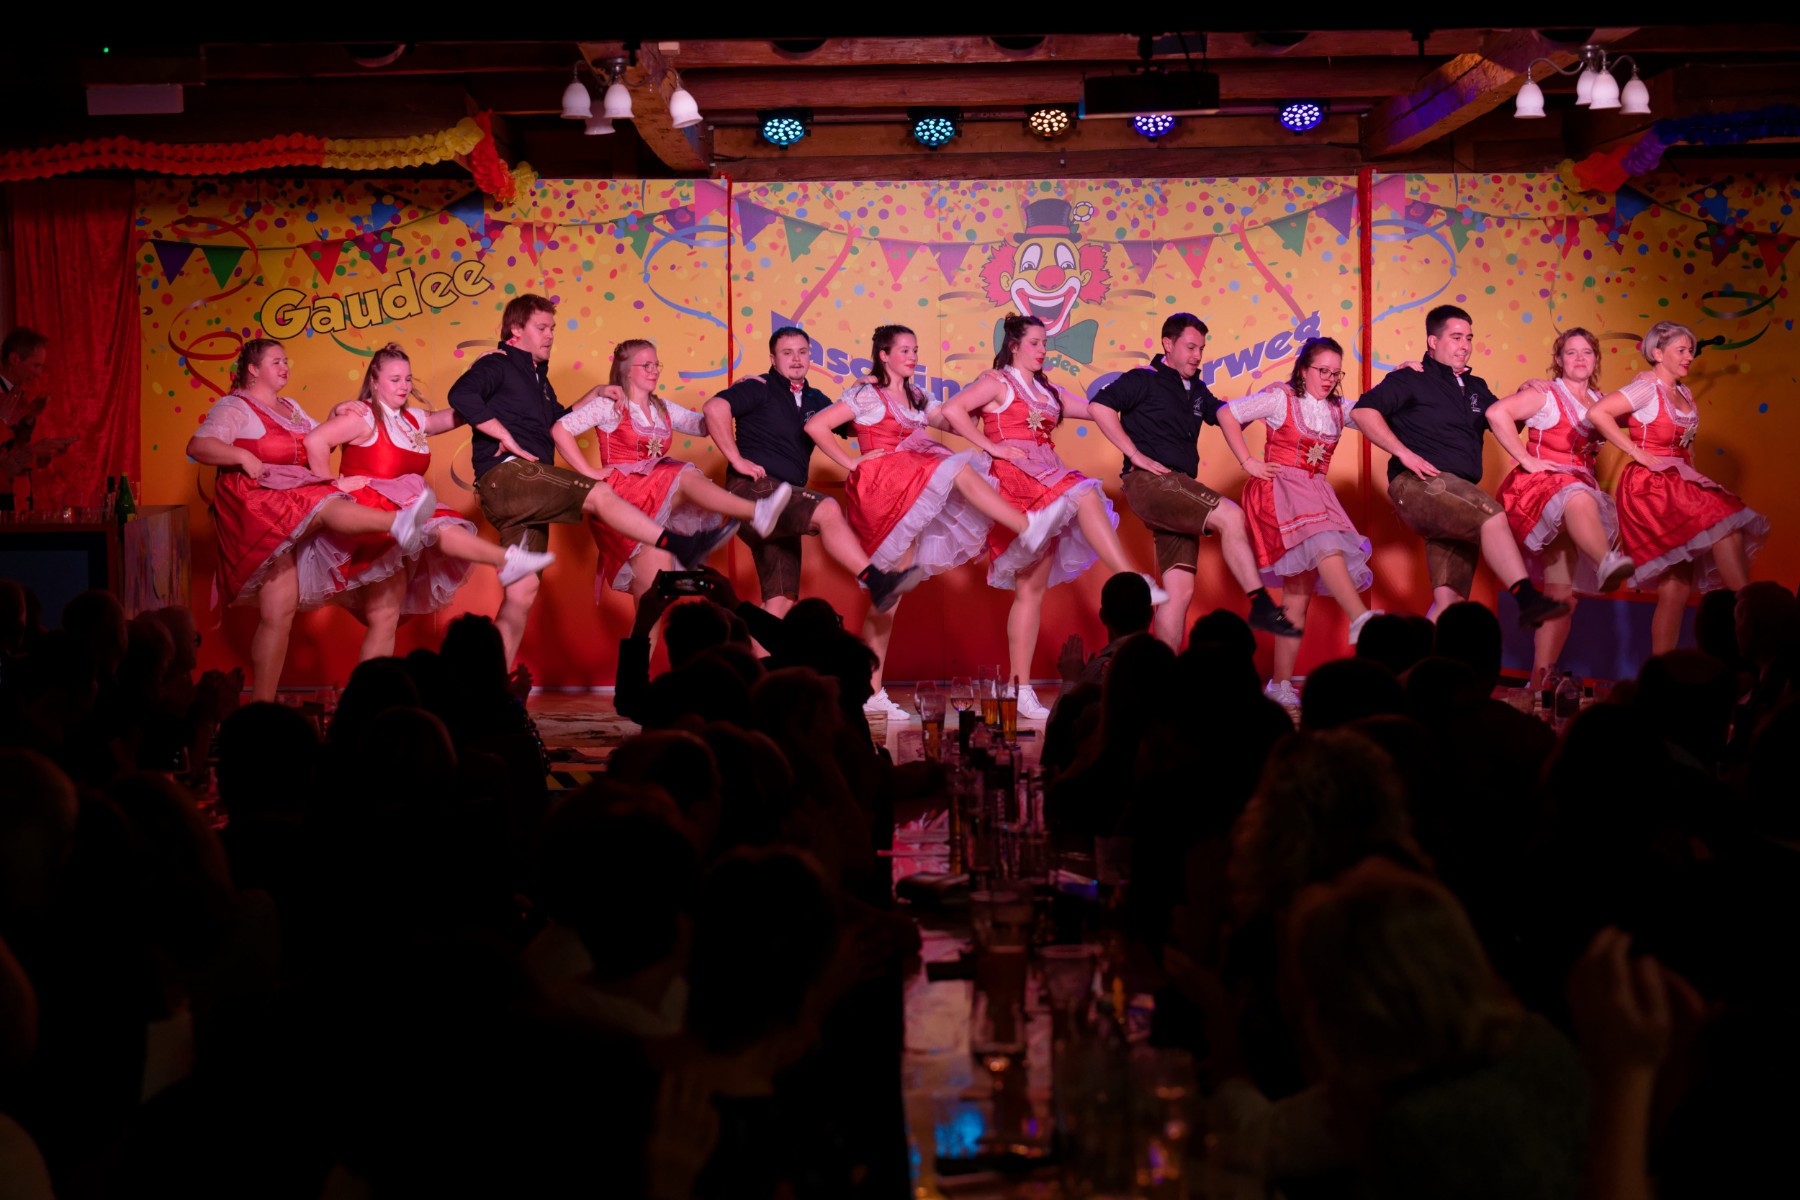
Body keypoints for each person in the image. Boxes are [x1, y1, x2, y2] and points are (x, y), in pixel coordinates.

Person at [448, 294, 739, 668]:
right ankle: (679, 543)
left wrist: (594, 393)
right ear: (515, 330)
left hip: (529, 491)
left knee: (523, 590)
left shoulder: (538, 378)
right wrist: (502, 434)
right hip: (508, 474)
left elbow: (556, 419)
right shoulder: (497, 363)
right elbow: (461, 394)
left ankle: (494, 687)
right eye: (542, 327)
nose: (550, 335)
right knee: (600, 492)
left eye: (552, 327)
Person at [803, 324, 1055, 718]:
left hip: (909, 488)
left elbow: (951, 420)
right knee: (958, 468)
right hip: (883, 485)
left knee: (889, 595)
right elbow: (815, 425)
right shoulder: (868, 394)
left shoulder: (917, 397)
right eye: (904, 350)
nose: (912, 356)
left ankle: (869, 691)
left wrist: (986, 386)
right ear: (884, 355)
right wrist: (851, 463)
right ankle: (1028, 526)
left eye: (915, 350)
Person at [185, 340, 440, 701]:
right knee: (327, 506)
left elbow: (321, 438)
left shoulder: (290, 408)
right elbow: (198, 446)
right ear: (253, 369)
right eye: (276, 361)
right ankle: (398, 523)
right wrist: (240, 455)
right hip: (259, 509)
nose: (284, 367)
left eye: (285, 361)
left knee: (281, 608)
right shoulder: (235, 407)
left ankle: (263, 703)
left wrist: (339, 411)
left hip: (293, 501)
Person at [944, 314, 1166, 719]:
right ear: (1014, 345)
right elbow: (953, 409)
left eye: (1045, 343)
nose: (1043, 350)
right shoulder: (997, 382)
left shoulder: (1048, 391)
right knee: (1084, 493)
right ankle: (1136, 581)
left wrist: (1145, 386)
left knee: (1031, 590)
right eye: (1035, 342)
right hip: (1017, 482)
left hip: (1047, 478)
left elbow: (1098, 409)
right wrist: (990, 447)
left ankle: (1020, 689)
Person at [301, 344, 556, 661]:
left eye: (408, 379)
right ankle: (506, 559)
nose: (404, 386)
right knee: (437, 527)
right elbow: (315, 440)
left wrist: (479, 373)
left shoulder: (412, 420)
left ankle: (372, 688)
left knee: (385, 616)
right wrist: (330, 488)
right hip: (371, 518)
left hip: (401, 520)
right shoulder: (362, 415)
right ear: (374, 381)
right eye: (395, 379)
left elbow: (459, 414)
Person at [1089, 313, 1303, 649]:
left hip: (1178, 492)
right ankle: (1261, 605)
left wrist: (1266, 397)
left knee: (1179, 593)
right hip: (1153, 483)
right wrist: (1135, 455)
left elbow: (1230, 418)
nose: (1197, 355)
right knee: (1231, 516)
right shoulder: (1143, 379)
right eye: (1190, 347)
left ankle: (1164, 673)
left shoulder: (1198, 390)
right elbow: (1099, 407)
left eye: (1201, 348)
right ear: (1168, 344)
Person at [1351, 304, 1570, 628]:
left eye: (1468, 338)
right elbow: (1362, 411)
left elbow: (1506, 423)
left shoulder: (1476, 386)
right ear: (1433, 341)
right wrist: (1404, 453)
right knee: (1492, 515)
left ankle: (1421, 659)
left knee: (1449, 601)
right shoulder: (1410, 378)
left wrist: (1526, 393)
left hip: (1456, 496)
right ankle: (1527, 599)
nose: (1465, 345)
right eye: (1455, 337)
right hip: (1419, 484)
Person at [551, 338, 795, 619]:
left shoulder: (662, 407)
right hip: (623, 497)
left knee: (653, 596)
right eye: (646, 365)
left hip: (654, 496)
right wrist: (589, 471)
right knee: (683, 474)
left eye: (657, 365)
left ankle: (640, 648)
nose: (654, 370)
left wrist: (735, 394)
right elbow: (560, 430)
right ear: (626, 370)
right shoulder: (610, 405)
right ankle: (756, 512)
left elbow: (703, 425)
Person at [702, 326, 919, 623]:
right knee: (826, 508)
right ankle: (877, 582)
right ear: (773, 358)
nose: (796, 359)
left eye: (802, 352)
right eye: (787, 353)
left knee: (779, 602)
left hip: (784, 507)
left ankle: (753, 655)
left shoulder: (816, 398)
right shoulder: (758, 386)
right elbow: (714, 408)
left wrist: (863, 392)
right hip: (754, 492)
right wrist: (736, 460)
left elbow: (854, 424)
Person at [1587, 321, 1768, 655]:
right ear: (1658, 353)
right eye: (1681, 350)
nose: (1689, 356)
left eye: (1691, 350)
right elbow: (1598, 413)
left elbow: (1686, 445)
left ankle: (1663, 668)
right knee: (1724, 523)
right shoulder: (1645, 388)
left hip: (1678, 478)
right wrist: (1635, 451)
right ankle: (1751, 612)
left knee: (1675, 587)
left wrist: (1693, 477)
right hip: (1651, 485)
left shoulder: (1683, 392)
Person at [1215, 336, 1377, 706]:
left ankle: (1280, 683)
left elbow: (1377, 413)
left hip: (1316, 492)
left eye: (1336, 373)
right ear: (1303, 369)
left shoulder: (1338, 410)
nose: (1329, 379)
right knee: (1326, 542)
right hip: (1282, 491)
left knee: (1297, 595)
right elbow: (1227, 414)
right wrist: (1248, 461)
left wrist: (1404, 374)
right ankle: (1360, 617)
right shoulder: (1281, 398)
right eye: (1323, 371)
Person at [1484, 327, 1635, 685]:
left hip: (1574, 497)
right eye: (1571, 352)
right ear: (1558, 360)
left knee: (1562, 597)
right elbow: (1496, 413)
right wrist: (1525, 458)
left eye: (1587, 352)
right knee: (1576, 495)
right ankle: (1605, 561)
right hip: (1541, 491)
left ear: (1596, 359)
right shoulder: (1545, 394)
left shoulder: (1600, 402)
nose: (1580, 359)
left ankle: (1538, 681)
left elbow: (1644, 414)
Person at [0, 328, 54, 512]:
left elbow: (15, 446)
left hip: (12, 494)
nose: (39, 374)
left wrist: (30, 416)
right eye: (36, 366)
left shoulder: (17, 395)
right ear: (15, 359)